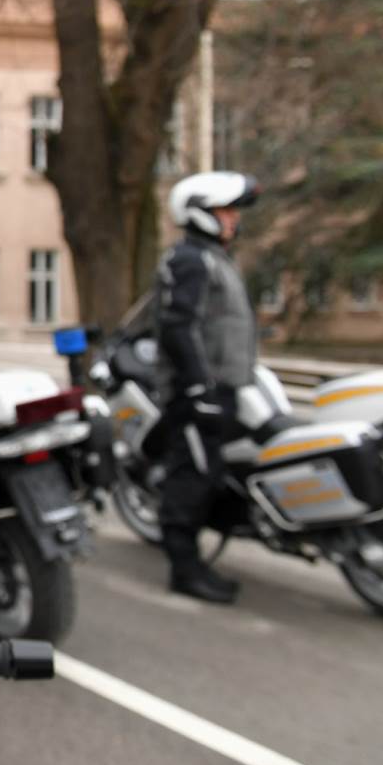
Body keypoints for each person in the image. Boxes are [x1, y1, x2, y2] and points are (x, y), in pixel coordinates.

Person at [150, 171, 261, 604]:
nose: (234, 219)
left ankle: (196, 557)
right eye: (225, 210)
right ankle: (184, 568)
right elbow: (179, 327)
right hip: (197, 395)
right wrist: (198, 389)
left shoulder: (212, 257)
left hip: (219, 390)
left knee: (211, 472)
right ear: (200, 213)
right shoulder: (190, 260)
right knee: (190, 477)